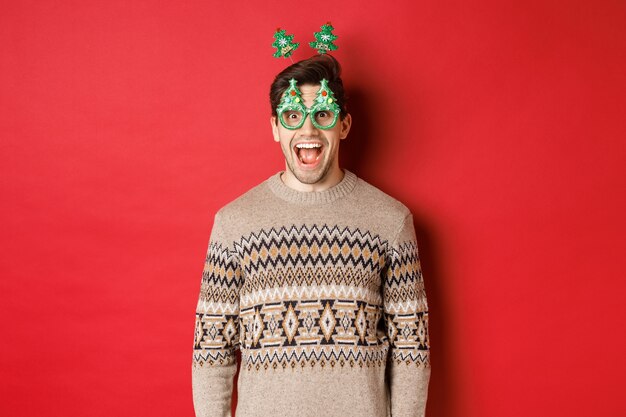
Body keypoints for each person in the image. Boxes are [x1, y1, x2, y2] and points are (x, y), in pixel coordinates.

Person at [192, 54, 430, 417]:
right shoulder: (233, 224)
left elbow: (412, 351)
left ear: (344, 125)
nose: (307, 131)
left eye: (322, 114)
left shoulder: (391, 222)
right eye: (292, 117)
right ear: (275, 127)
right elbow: (212, 351)